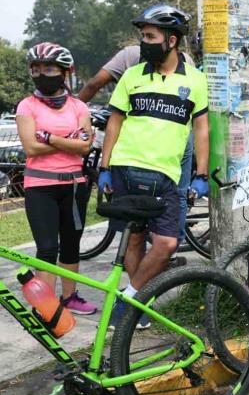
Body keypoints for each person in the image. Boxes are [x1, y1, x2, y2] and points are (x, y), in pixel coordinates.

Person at [98, 5, 210, 328]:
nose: (143, 42)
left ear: (172, 41)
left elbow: (201, 129)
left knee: (166, 243)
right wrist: (104, 167)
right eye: (143, 35)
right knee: (133, 239)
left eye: (150, 36)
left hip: (167, 176)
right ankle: (139, 314)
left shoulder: (196, 81)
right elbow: (114, 123)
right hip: (125, 169)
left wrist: (201, 174)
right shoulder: (132, 76)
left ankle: (130, 297)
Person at [78, 29, 197, 251]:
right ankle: (170, 248)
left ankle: (141, 252)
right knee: (178, 193)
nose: (145, 41)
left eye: (148, 36)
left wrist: (72, 109)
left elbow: (95, 84)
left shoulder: (128, 56)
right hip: (178, 139)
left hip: (142, 146)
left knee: (134, 200)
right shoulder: (183, 59)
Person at [16, 43, 97, 315]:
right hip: (40, 187)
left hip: (74, 185)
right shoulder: (27, 106)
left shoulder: (78, 106)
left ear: (65, 72)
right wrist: (69, 140)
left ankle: (70, 297)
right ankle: (47, 307)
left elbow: (85, 147)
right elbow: (31, 148)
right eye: (36, 69)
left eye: (49, 68)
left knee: (71, 245)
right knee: (48, 248)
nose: (42, 74)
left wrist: (49, 137)